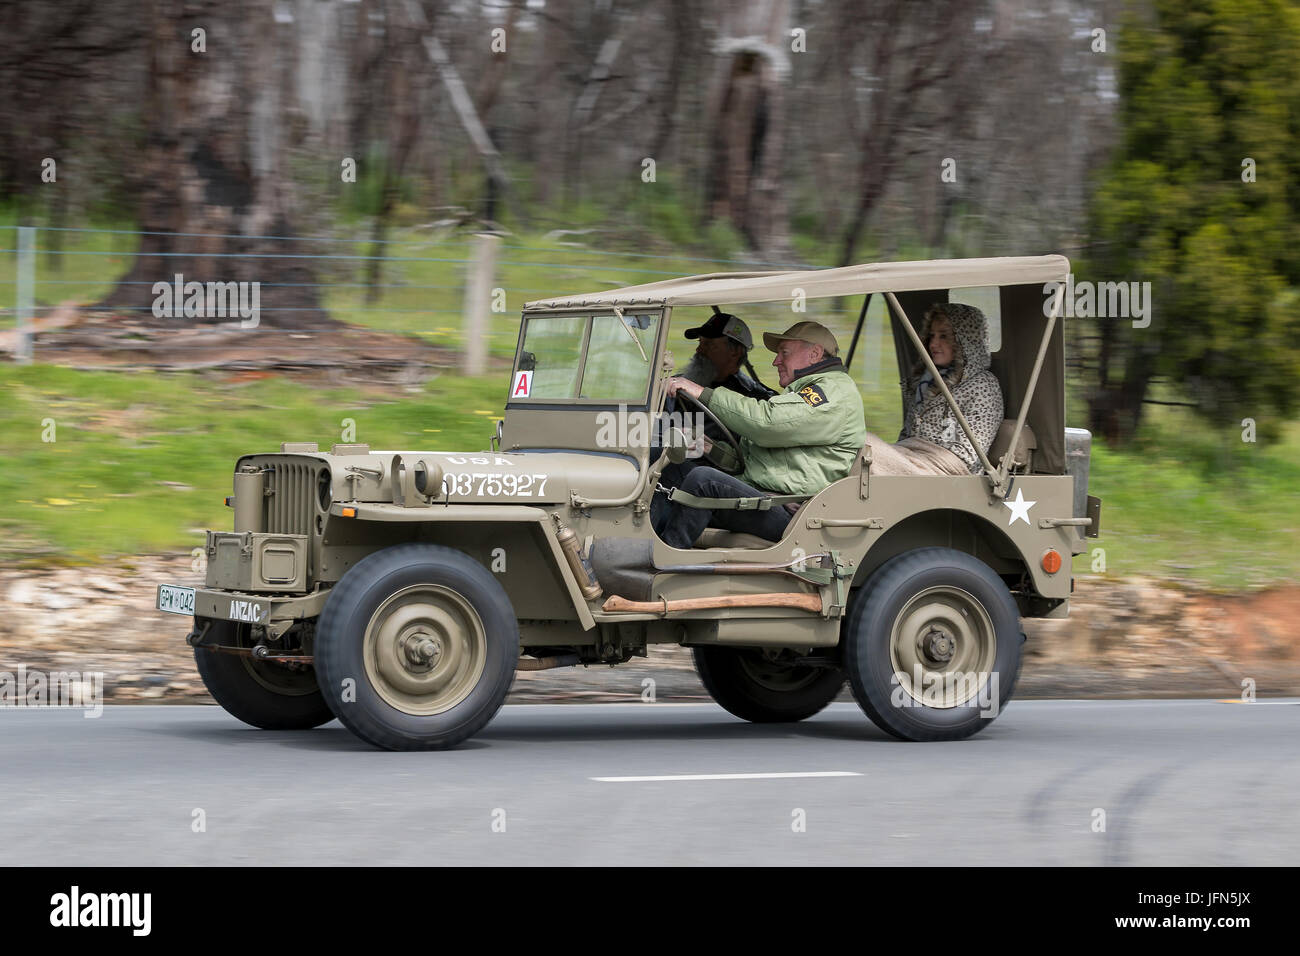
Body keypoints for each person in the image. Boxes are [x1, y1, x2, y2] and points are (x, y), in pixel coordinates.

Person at [653, 321, 866, 549]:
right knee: (670, 465)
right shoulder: (802, 392)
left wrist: (703, 393)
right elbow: (755, 460)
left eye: (784, 353)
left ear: (814, 354)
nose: (776, 361)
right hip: (767, 497)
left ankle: (661, 562)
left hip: (792, 510)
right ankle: (640, 544)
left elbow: (767, 423)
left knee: (704, 480)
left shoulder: (833, 392)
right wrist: (711, 448)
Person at [864, 302, 1003, 476]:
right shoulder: (924, 383)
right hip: (915, 459)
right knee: (856, 444)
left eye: (944, 336)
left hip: (948, 472)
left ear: (964, 340)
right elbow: (907, 436)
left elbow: (968, 456)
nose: (933, 344)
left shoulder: (983, 385)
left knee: (862, 445)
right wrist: (901, 454)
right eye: (932, 336)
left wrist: (906, 455)